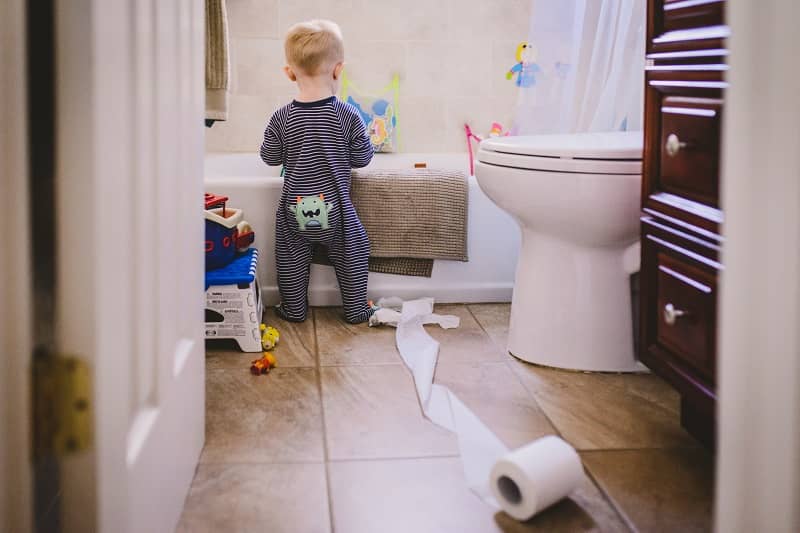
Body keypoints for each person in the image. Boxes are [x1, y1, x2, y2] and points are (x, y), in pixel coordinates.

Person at [260, 19, 375, 324]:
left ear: (289, 72)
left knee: (291, 257)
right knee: (354, 250)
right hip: (336, 209)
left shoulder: (281, 117)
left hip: (294, 208)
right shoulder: (348, 115)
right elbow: (363, 159)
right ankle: (355, 309)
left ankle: (294, 310)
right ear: (338, 69)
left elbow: (269, 158)